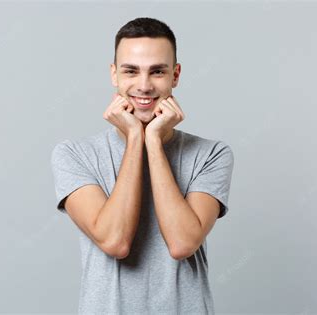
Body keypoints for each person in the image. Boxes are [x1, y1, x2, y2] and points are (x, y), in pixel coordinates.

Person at [51, 17, 234, 314]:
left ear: (175, 75)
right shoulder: (74, 154)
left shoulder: (211, 154)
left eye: (158, 71)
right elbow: (115, 240)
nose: (144, 85)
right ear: (114, 75)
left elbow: (182, 242)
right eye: (131, 71)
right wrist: (136, 136)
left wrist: (153, 143)